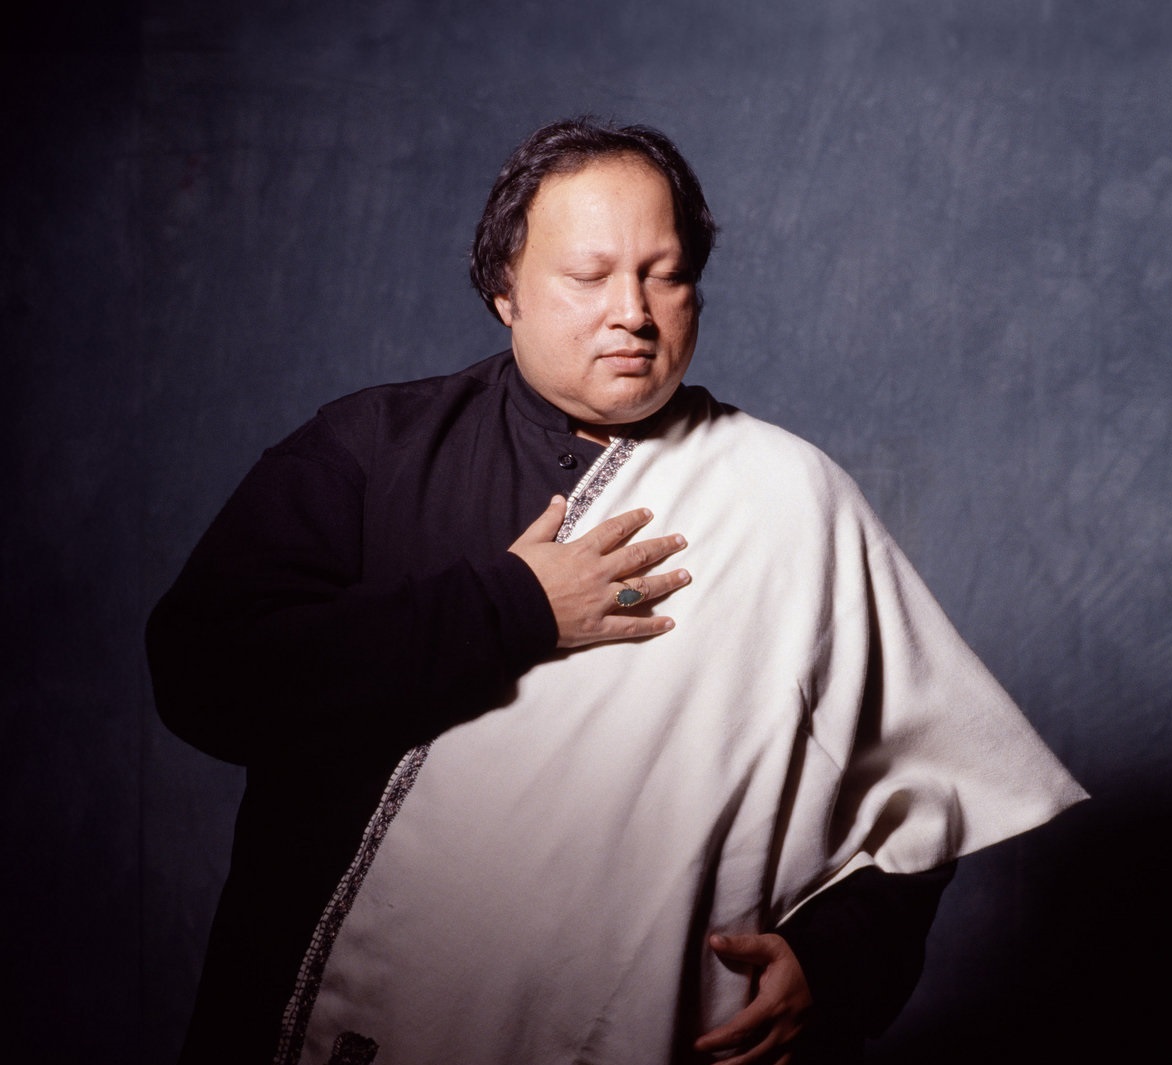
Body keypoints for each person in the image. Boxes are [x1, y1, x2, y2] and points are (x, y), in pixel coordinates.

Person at [147, 118, 1085, 1065]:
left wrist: (835, 959)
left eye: (665, 274)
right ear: (503, 289)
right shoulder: (370, 450)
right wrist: (515, 605)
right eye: (589, 276)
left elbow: (920, 790)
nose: (632, 311)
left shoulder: (789, 494)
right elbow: (204, 680)